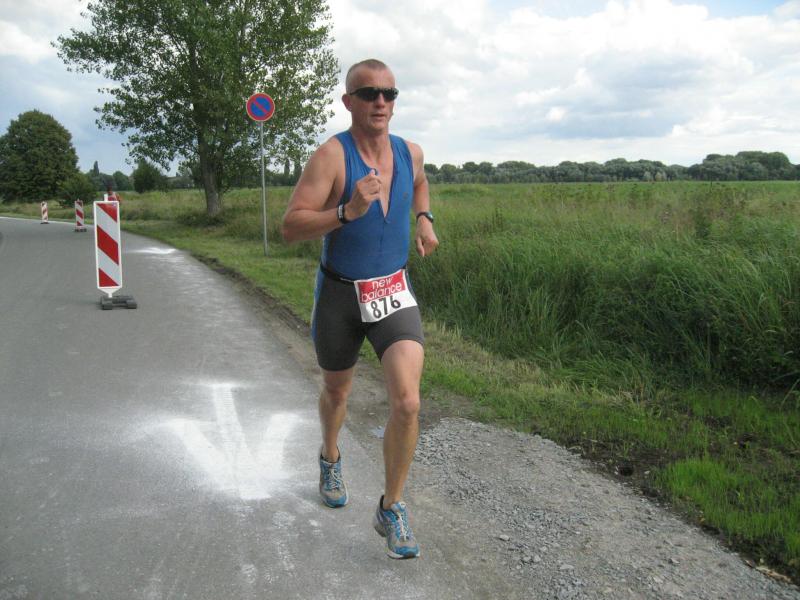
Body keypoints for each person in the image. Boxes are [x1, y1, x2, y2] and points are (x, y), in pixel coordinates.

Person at [281, 58, 438, 559]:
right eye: (369, 93)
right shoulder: (332, 156)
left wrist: (424, 218)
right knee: (336, 390)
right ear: (349, 101)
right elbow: (291, 226)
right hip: (340, 294)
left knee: (408, 402)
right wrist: (347, 211)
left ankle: (391, 506)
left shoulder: (410, 152)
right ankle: (330, 455)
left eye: (390, 93)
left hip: (392, 290)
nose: (381, 102)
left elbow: (419, 182)